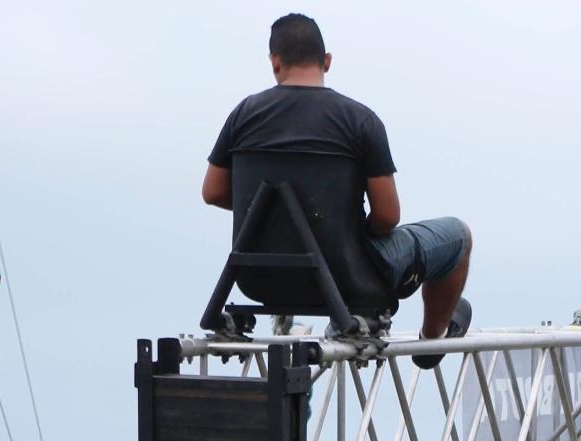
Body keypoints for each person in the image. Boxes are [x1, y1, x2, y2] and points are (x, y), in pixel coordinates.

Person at [201, 13, 472, 367]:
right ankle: (432, 341)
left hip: (259, 278)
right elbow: (388, 216)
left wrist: (273, 217)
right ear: (326, 61)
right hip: (347, 275)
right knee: (458, 237)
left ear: (275, 62)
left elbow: (213, 192)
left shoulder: (244, 114)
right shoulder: (359, 120)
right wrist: (352, 230)